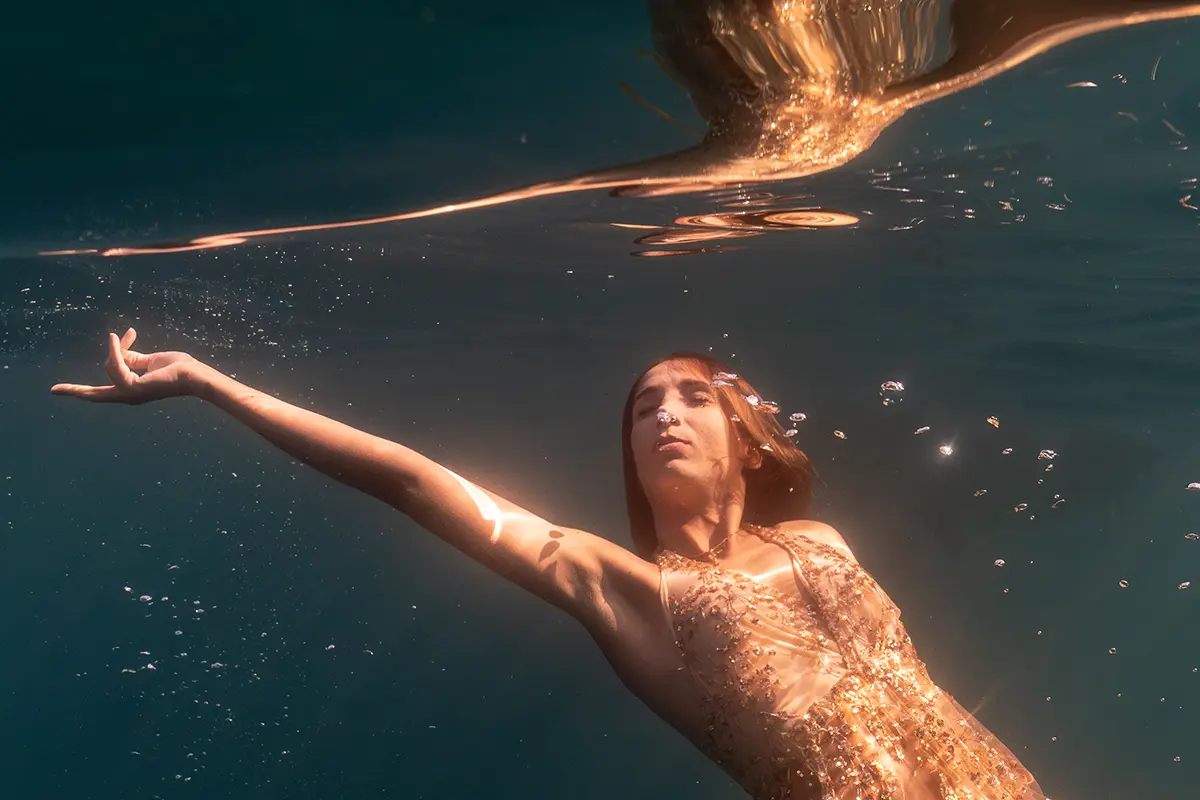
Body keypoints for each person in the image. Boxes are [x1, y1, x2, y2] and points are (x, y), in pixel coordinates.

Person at [53, 329, 1046, 799]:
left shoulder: (823, 540)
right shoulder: (630, 592)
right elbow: (410, 479)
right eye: (641, 405)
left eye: (692, 395)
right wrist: (208, 382)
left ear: (746, 436)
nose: (662, 411)